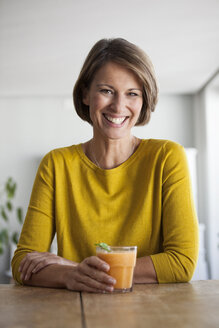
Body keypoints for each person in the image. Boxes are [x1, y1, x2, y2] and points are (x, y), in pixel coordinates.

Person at [12, 38, 199, 292]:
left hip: (155, 313)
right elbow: (23, 262)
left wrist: (75, 268)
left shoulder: (167, 158)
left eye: (132, 93)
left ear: (144, 100)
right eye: (106, 91)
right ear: (86, 94)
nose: (118, 106)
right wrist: (70, 275)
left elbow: (181, 262)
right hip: (76, 313)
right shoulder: (56, 164)